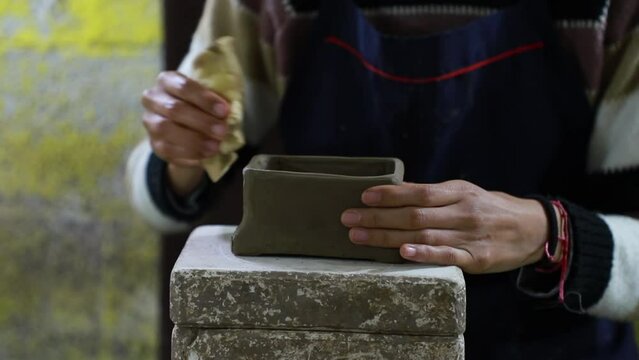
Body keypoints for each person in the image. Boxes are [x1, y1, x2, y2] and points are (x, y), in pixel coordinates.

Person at [126, 0, 639, 358]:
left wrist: (549, 232)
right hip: (326, 341)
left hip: (546, 344)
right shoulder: (274, 4)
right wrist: (182, 151)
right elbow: (160, 198)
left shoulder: (603, 9)